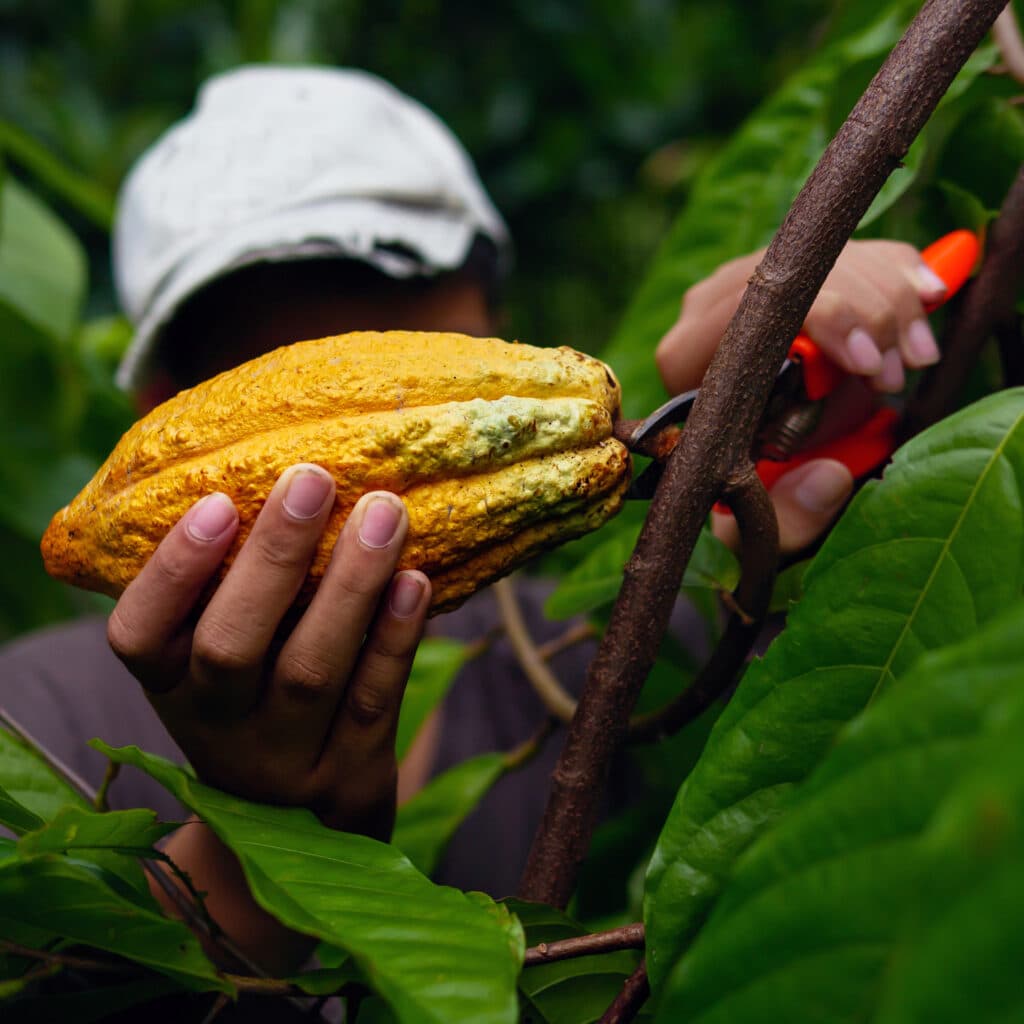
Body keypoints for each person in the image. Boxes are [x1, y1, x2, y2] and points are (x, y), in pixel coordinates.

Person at [0, 65, 946, 975]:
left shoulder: (611, 660)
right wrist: (259, 860)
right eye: (300, 374)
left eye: (410, 359)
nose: (392, 435)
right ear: (165, 411)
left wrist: (852, 452)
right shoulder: (32, 726)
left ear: (500, 335)